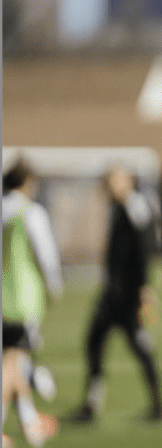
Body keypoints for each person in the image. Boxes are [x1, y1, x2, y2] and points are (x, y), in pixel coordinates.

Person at [67, 165, 162, 423]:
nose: (108, 188)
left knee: (140, 347)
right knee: (94, 343)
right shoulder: (119, 208)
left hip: (128, 295)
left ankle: (158, 407)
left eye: (112, 182)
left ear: (127, 182)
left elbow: (145, 250)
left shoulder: (136, 208)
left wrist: (144, 289)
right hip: (113, 292)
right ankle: (92, 405)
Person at [2, 158, 63, 445]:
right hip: (21, 299)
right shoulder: (30, 213)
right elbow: (45, 253)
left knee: (14, 361)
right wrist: (54, 286)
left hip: (3, 297)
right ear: (26, 182)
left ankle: (30, 424)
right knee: (13, 363)